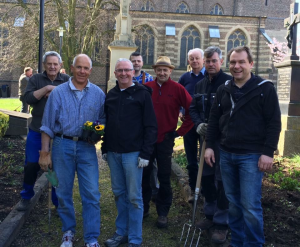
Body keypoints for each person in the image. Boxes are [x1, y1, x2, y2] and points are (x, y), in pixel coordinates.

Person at [205, 46, 281, 247]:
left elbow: (274, 123)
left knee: (250, 206)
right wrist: (210, 146)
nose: (236, 66)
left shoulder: (264, 89)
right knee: (234, 205)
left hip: (251, 156)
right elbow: (214, 120)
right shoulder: (224, 89)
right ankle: (238, 242)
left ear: (251, 64)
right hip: (227, 155)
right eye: (232, 62)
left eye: (241, 62)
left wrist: (267, 152)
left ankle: (254, 244)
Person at [39, 54, 105, 247]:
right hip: (62, 145)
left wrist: (97, 132)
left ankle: (91, 237)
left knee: (91, 192)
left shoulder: (98, 94)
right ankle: (68, 231)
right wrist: (44, 153)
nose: (82, 71)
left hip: (86, 147)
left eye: (86, 68)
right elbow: (47, 125)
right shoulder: (59, 93)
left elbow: (103, 121)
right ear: (71, 68)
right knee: (63, 191)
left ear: (90, 70)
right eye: (79, 67)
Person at [101, 58, 157, 247]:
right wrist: (104, 148)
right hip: (114, 153)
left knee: (134, 197)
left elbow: (151, 126)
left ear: (133, 72)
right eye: (120, 70)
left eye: (127, 70)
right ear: (115, 73)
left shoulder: (143, 95)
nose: (123, 73)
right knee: (118, 193)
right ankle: (121, 232)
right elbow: (107, 123)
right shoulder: (111, 95)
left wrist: (146, 154)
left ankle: (134, 238)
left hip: (133, 154)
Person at [142, 56, 194, 228]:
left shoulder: (177, 89)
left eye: (166, 70)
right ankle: (143, 208)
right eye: (159, 69)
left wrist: (180, 131)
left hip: (165, 139)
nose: (162, 72)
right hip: (147, 140)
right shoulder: (146, 88)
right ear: (155, 71)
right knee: (144, 175)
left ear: (170, 71)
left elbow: (191, 109)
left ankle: (163, 212)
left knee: (164, 176)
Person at [189, 46, 232, 244]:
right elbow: (192, 108)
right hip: (205, 139)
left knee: (222, 180)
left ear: (221, 61)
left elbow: (231, 114)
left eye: (214, 61)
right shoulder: (200, 85)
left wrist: (216, 127)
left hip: (223, 141)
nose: (210, 64)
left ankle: (222, 223)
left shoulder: (229, 84)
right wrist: (199, 124)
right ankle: (210, 215)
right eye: (207, 61)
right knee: (205, 177)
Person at [17, 51, 69, 211]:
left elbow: (70, 100)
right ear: (44, 65)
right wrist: (45, 88)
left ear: (60, 65)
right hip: (37, 131)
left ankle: (56, 200)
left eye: (55, 64)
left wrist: (54, 92)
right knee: (32, 164)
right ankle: (26, 195)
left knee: (54, 168)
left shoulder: (67, 80)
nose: (52, 67)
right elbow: (28, 99)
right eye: (49, 64)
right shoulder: (36, 79)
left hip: (58, 133)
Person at [129, 51, 159, 201]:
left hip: (145, 119)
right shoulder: (126, 77)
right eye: (133, 61)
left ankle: (153, 190)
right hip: (132, 122)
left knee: (150, 162)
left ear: (142, 62)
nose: (136, 63)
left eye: (138, 61)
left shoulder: (148, 78)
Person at [178, 48, 205, 203]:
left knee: (205, 157)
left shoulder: (208, 77)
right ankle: (194, 190)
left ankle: (205, 189)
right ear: (188, 61)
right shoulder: (184, 78)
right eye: (191, 59)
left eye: (197, 58)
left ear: (202, 59)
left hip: (204, 123)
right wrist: (180, 110)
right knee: (191, 159)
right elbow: (178, 97)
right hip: (188, 123)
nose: (194, 61)